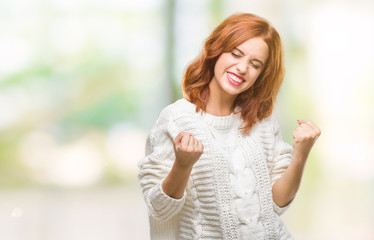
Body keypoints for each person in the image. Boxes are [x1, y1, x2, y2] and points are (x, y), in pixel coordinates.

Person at [138, 12, 321, 240]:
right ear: (216, 51)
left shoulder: (263, 119)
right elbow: (159, 209)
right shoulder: (176, 118)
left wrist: (301, 154)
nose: (242, 68)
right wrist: (182, 166)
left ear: (261, 75)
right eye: (236, 54)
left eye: (255, 64)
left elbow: (277, 203)